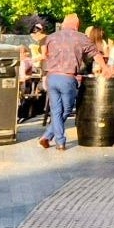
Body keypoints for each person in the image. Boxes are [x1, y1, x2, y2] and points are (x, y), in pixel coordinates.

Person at [39, 14, 96, 151]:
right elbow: (95, 54)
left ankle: (56, 140)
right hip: (67, 77)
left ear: (64, 24)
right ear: (76, 25)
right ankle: (54, 138)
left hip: (52, 77)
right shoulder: (81, 37)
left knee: (56, 110)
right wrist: (105, 68)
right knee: (67, 109)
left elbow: (44, 55)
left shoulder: (50, 37)